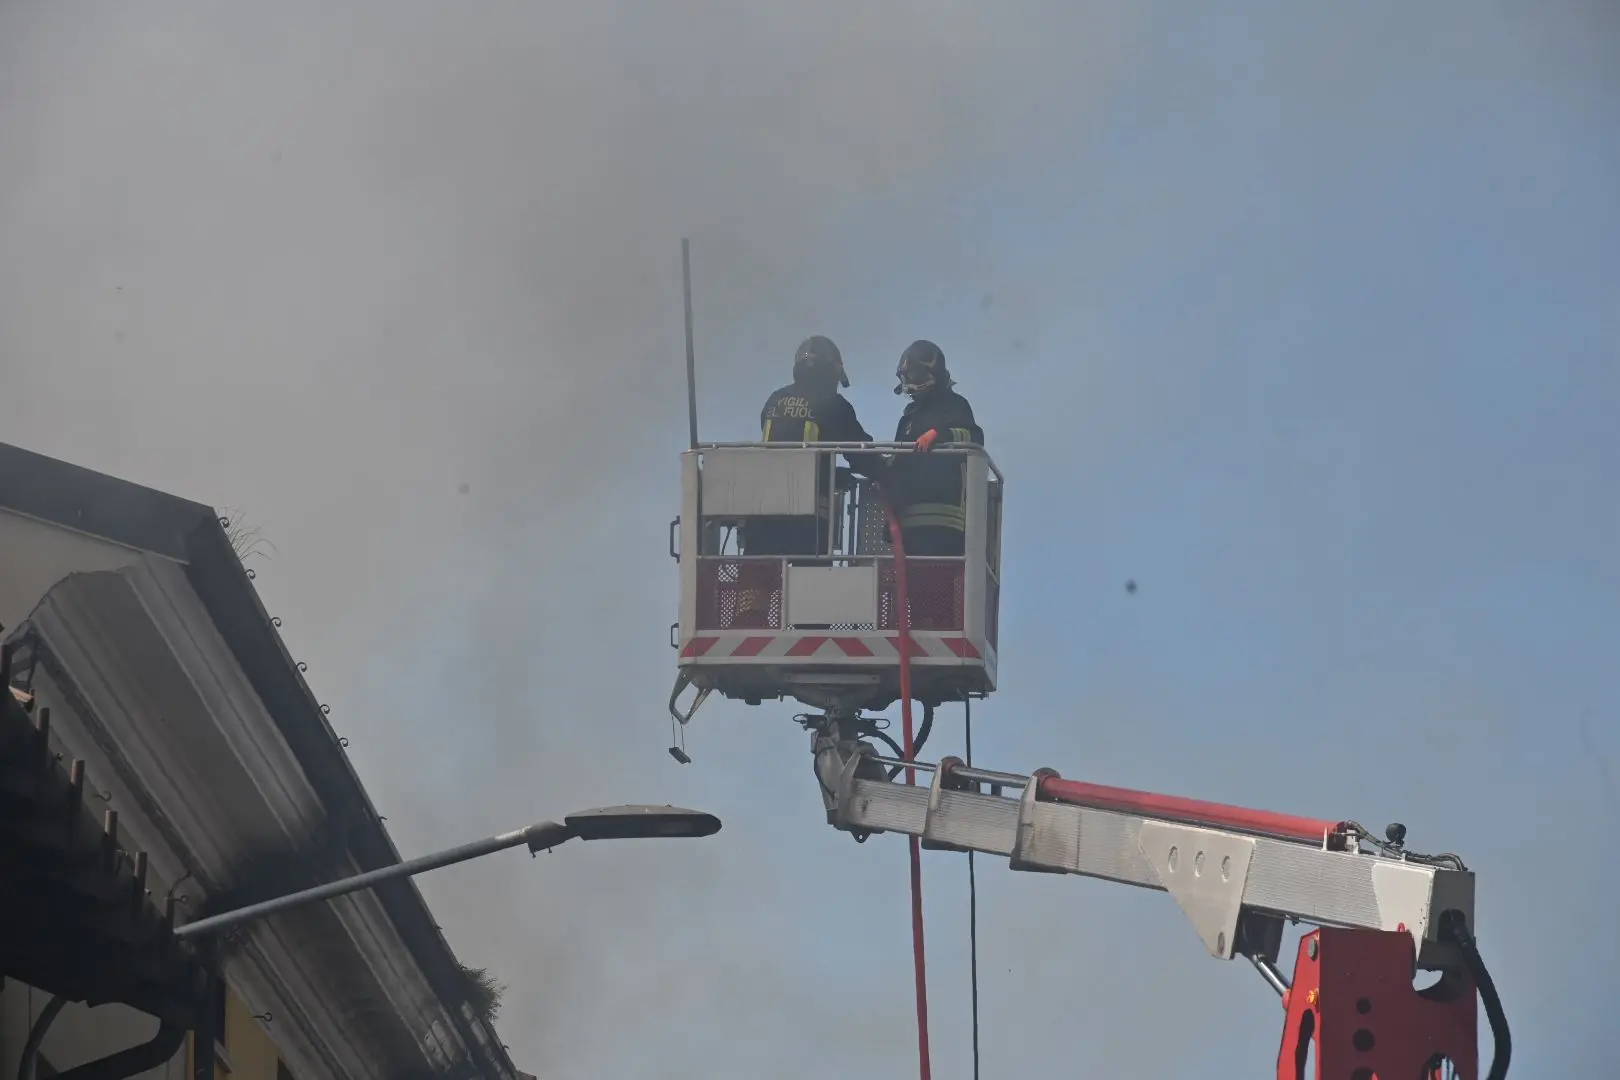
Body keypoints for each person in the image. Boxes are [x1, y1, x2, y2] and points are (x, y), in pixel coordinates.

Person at [743, 336, 877, 558]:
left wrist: (831, 473)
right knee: (806, 587)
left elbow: (784, 454)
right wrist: (891, 471)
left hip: (762, 515)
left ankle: (751, 594)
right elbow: (862, 456)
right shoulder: (834, 405)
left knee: (758, 586)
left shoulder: (775, 400)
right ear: (832, 371)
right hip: (806, 523)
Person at [884, 339, 984, 557]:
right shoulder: (909, 416)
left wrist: (938, 435)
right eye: (907, 377)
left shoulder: (955, 405)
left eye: (915, 376)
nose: (909, 383)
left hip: (944, 522)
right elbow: (899, 458)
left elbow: (974, 437)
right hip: (909, 522)